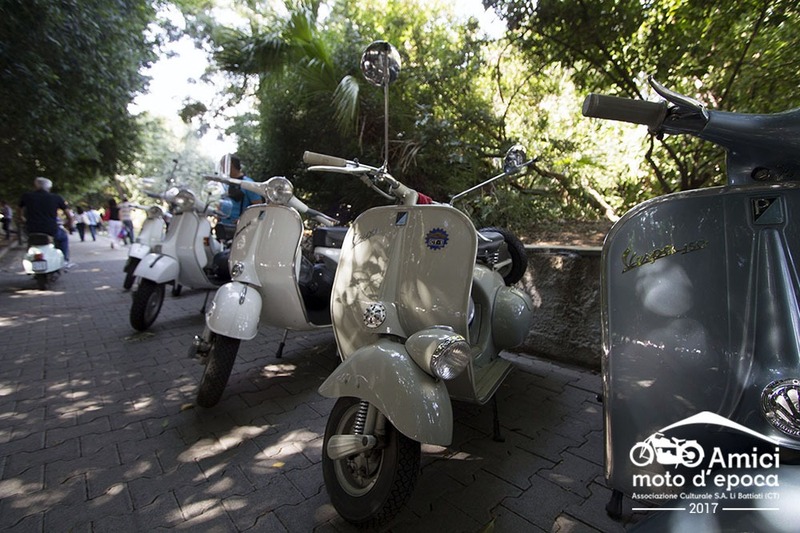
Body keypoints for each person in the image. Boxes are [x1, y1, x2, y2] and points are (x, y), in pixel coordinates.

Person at [18, 177, 74, 263]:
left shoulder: (26, 196)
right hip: (51, 229)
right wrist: (69, 225)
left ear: (35, 186)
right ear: (49, 187)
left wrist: (24, 221)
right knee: (63, 238)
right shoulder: (56, 197)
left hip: (31, 229)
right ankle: (64, 260)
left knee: (31, 242)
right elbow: (69, 216)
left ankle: (29, 260)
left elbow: (19, 214)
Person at [215, 154, 261, 236]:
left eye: (223, 166)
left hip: (239, 230)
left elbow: (258, 207)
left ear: (230, 165)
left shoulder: (248, 184)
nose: (222, 169)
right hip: (222, 227)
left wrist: (244, 220)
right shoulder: (225, 184)